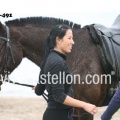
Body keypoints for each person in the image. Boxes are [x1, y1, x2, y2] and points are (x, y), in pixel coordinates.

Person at [34, 24, 98, 120]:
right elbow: (59, 96)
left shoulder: (48, 59)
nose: (73, 42)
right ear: (58, 40)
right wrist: (85, 105)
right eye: (69, 38)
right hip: (59, 116)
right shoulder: (58, 62)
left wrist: (45, 85)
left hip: (56, 115)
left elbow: (39, 91)